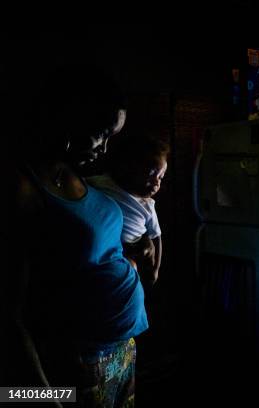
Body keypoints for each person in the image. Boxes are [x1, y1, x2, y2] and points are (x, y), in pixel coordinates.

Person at [6, 64, 148, 408]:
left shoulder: (76, 170)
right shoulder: (21, 187)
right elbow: (10, 312)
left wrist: (126, 259)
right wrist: (42, 396)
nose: (104, 147)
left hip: (123, 343)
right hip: (79, 359)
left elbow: (88, 246)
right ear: (70, 119)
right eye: (102, 132)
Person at [88, 134, 169, 287]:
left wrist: (156, 268)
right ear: (130, 168)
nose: (157, 182)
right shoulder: (105, 183)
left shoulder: (148, 206)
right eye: (152, 174)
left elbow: (157, 237)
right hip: (107, 247)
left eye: (161, 177)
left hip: (134, 249)